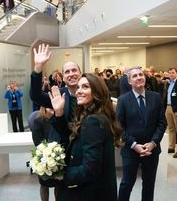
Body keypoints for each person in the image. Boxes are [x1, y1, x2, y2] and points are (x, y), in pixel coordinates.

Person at [49, 73, 122, 201]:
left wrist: (62, 175)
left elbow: (90, 168)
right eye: (78, 87)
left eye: (85, 87)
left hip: (88, 193)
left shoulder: (93, 120)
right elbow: (72, 137)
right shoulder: (95, 115)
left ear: (97, 91)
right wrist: (59, 113)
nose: (79, 91)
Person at [116, 66, 166, 201]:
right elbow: (119, 127)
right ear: (129, 81)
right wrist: (134, 144)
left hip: (152, 151)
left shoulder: (156, 97)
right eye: (135, 76)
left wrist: (153, 143)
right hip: (131, 150)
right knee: (127, 184)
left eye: (141, 74)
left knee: (149, 185)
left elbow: (162, 123)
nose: (139, 77)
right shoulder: (123, 100)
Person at [29, 107, 59, 201]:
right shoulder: (38, 121)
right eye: (50, 108)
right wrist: (48, 152)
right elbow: (37, 142)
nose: (52, 110)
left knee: (58, 184)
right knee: (44, 184)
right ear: (44, 108)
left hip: (58, 153)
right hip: (43, 155)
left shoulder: (59, 119)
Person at [162, 67, 177, 158]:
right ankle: (171, 147)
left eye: (173, 73)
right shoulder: (169, 83)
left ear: (176, 73)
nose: (171, 74)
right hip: (168, 107)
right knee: (171, 128)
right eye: (170, 73)